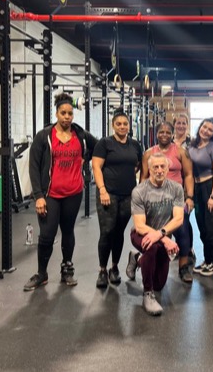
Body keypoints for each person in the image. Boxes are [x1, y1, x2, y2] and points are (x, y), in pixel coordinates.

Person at [24, 92, 97, 291]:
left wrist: (86, 157)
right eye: (63, 113)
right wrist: (39, 196)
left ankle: (67, 269)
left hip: (74, 192)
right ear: (56, 113)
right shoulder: (44, 136)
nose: (67, 117)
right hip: (51, 194)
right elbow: (34, 167)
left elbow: (98, 146)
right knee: (47, 234)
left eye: (70, 113)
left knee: (68, 230)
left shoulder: (79, 134)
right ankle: (42, 273)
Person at [126, 153, 184, 316]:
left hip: (161, 236)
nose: (159, 170)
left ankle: (137, 259)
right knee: (151, 247)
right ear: (149, 169)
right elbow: (140, 226)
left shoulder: (176, 188)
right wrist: (165, 239)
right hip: (141, 234)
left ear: (168, 168)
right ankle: (147, 294)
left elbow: (179, 219)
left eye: (162, 166)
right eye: (155, 167)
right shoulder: (139, 191)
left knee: (159, 284)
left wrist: (161, 236)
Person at [92, 107, 142, 289]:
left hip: (128, 195)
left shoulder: (135, 145)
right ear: (113, 125)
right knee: (107, 231)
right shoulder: (104, 143)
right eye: (118, 124)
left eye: (125, 123)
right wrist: (102, 190)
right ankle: (102, 270)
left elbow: (138, 165)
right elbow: (96, 167)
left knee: (119, 232)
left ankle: (114, 268)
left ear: (129, 125)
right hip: (108, 194)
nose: (122, 126)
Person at [140, 121, 194, 283]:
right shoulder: (149, 153)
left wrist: (189, 197)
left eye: (167, 132)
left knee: (183, 232)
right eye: (161, 132)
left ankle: (183, 267)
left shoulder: (181, 152)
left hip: (176, 200)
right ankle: (144, 262)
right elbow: (143, 177)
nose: (164, 135)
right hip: (154, 201)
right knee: (157, 235)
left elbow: (188, 175)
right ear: (156, 134)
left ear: (172, 134)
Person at [189, 117, 213, 277]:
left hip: (212, 188)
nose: (205, 131)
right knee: (203, 228)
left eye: (210, 130)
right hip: (198, 189)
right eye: (204, 127)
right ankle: (207, 260)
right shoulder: (192, 146)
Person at [173, 113, 196, 266]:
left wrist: (190, 194)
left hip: (188, 186)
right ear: (174, 124)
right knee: (174, 219)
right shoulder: (168, 141)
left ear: (187, 125)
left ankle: (188, 250)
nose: (181, 126)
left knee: (185, 219)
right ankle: (179, 247)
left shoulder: (193, 143)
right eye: (178, 123)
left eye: (184, 123)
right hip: (172, 186)